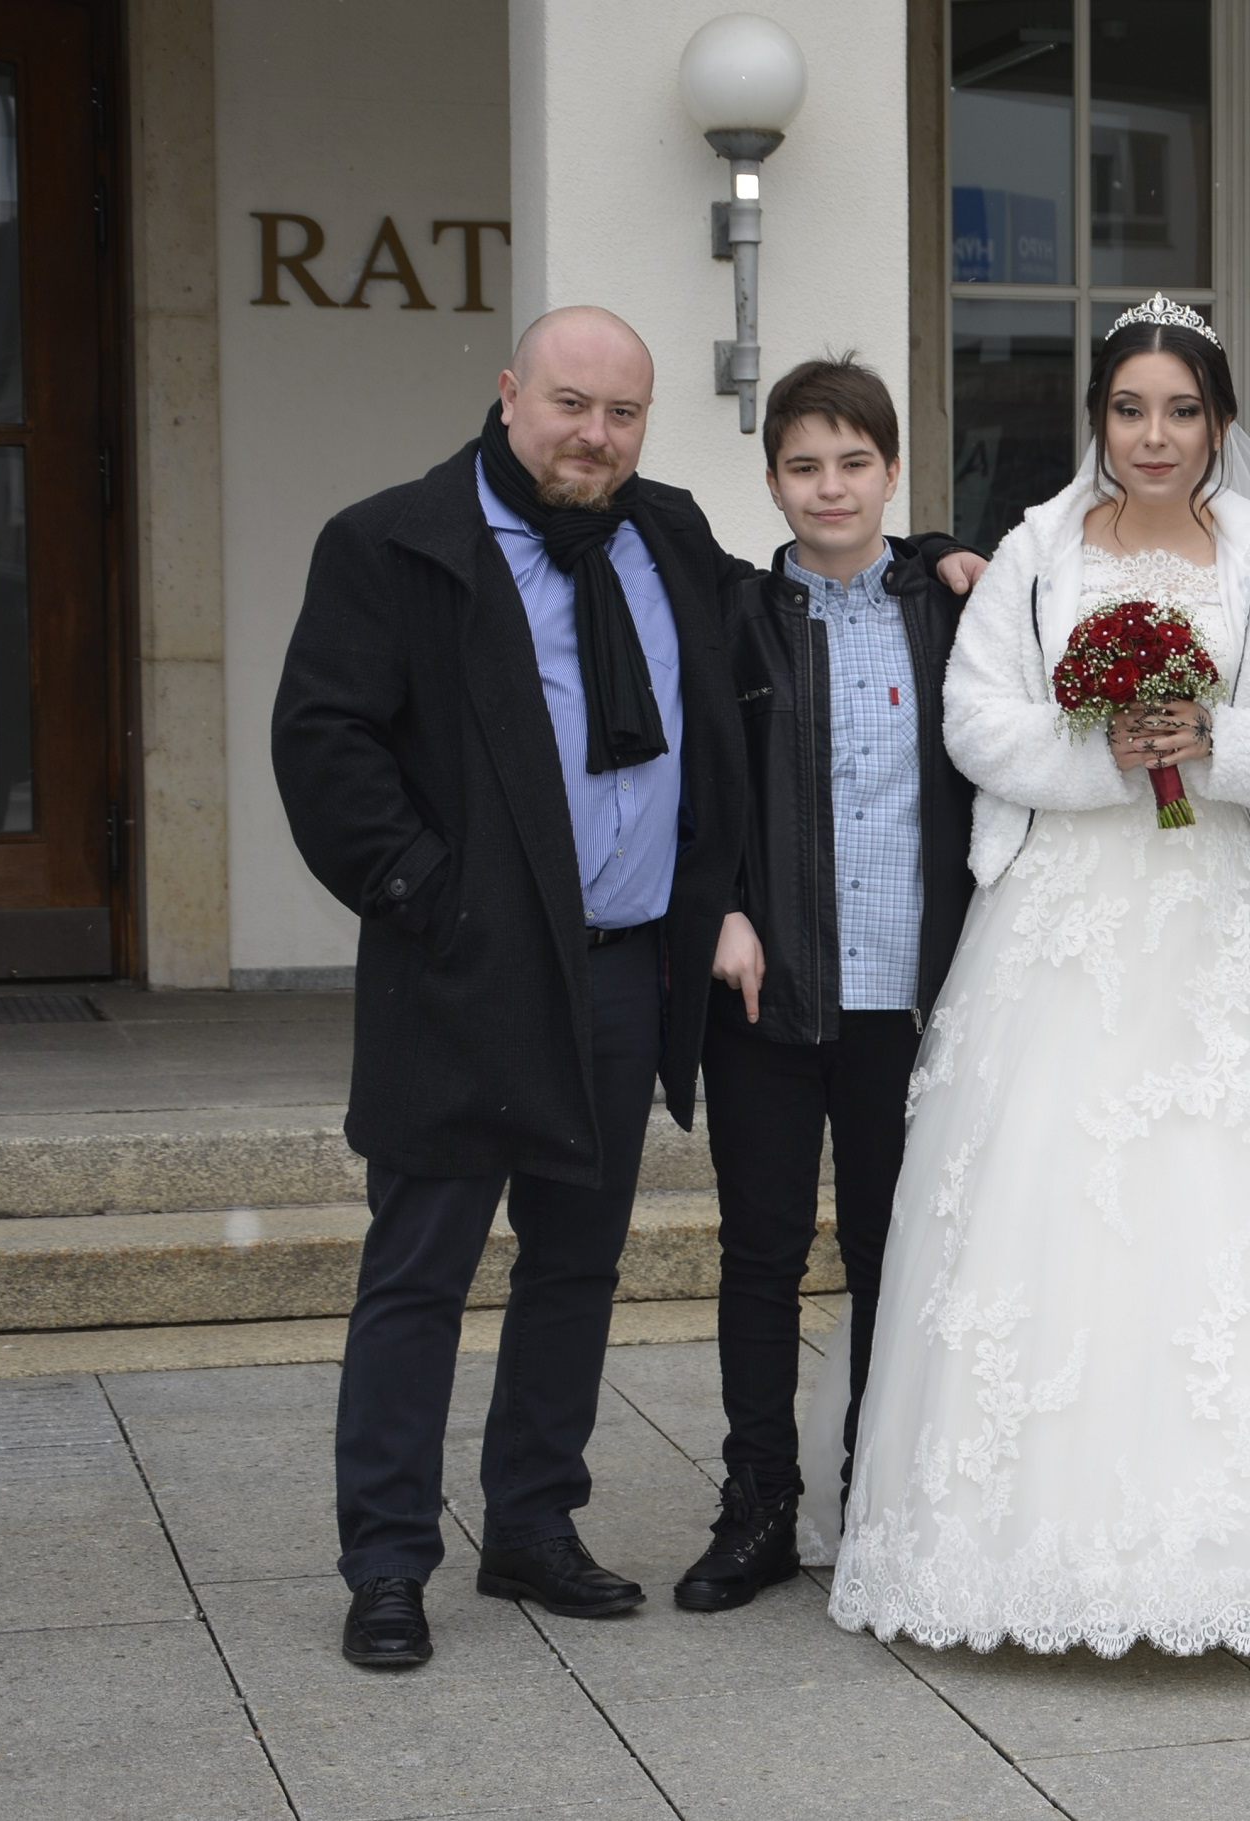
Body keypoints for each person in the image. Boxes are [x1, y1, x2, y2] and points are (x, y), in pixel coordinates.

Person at [819, 294, 1250, 1656]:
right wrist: (1108, 756)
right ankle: (1019, 1554)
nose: (1155, 434)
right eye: (1130, 409)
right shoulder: (1034, 553)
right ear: (1098, 421)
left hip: (1224, 924)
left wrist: (1209, 738)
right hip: (1062, 926)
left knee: (1231, 1215)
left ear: (1220, 423)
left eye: (1181, 410)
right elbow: (977, 722)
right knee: (1052, 1219)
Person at [271, 306, 746, 1669]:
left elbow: (766, 643)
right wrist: (433, 897)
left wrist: (936, 561)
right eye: (571, 404)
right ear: (508, 394)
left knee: (578, 1266)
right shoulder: (392, 543)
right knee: (418, 1273)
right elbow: (324, 744)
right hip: (462, 973)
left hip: (623, 971)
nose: (596, 435)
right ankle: (386, 1563)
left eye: (624, 413)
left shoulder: (668, 534)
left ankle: (533, 1527)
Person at [672, 356, 984, 1612]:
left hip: (910, 1000)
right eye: (804, 466)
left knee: (890, 1249)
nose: (830, 487)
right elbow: (691, 793)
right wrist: (722, 913)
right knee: (759, 1251)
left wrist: (959, 552)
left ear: (892, 472)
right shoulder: (734, 619)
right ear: (771, 481)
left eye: (854, 462)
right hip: (768, 989)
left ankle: (878, 1495)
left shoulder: (954, 606)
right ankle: (757, 1505)